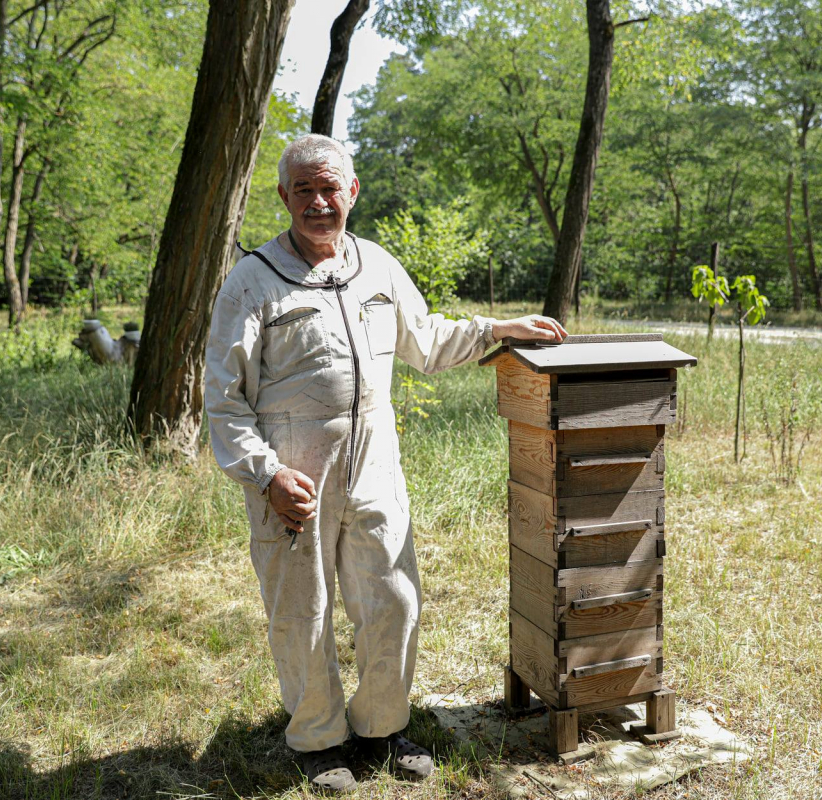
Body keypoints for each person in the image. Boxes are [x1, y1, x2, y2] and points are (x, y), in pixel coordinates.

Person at [203, 133, 566, 793]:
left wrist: (498, 329)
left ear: (353, 192)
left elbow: (425, 339)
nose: (319, 203)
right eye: (304, 190)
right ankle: (318, 739)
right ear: (284, 196)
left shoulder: (376, 265)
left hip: (376, 458)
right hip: (294, 471)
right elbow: (223, 403)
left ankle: (382, 727)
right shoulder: (251, 281)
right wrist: (265, 473)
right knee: (301, 609)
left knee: (394, 598)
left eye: (330, 188)